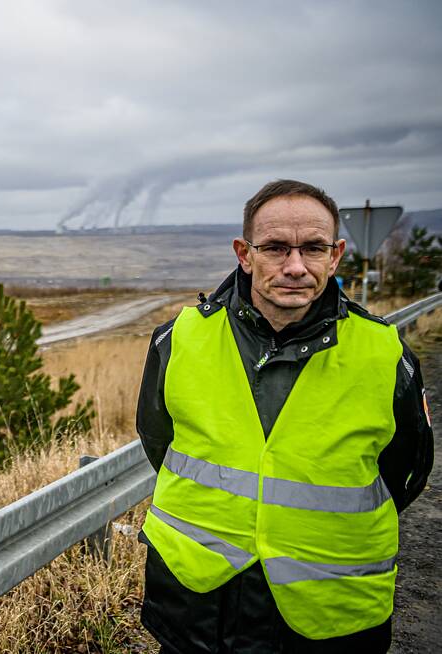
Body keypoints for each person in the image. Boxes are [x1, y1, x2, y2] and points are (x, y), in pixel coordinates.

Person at [135, 179, 434, 653]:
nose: (295, 267)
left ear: (335, 256)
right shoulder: (178, 339)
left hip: (329, 618)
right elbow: (158, 439)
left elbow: (406, 472)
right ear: (244, 253)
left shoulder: (384, 353)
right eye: (274, 247)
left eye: (313, 248)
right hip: (196, 604)